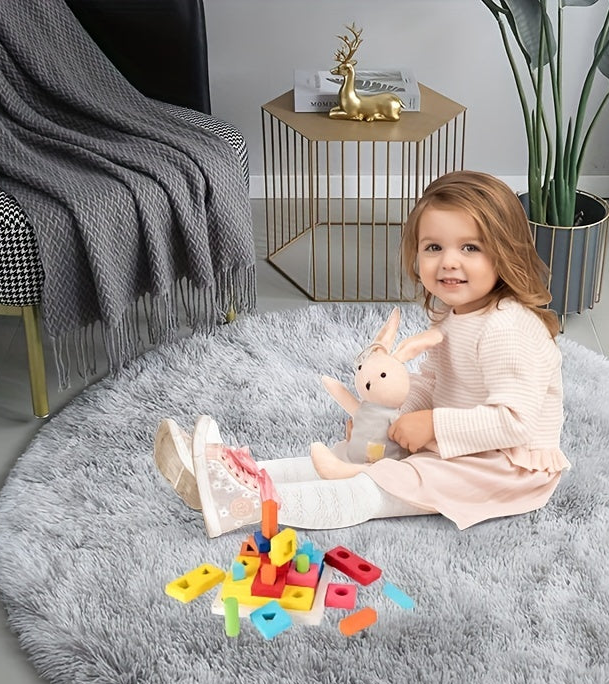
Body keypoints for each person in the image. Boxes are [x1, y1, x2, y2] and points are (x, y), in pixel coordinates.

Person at [154, 170, 570, 537]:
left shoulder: (507, 328)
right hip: (466, 442)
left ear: (506, 252)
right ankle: (229, 475)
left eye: (470, 248)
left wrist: (431, 425)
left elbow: (516, 423)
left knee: (380, 483)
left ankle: (242, 504)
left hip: (506, 467)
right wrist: (386, 418)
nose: (448, 262)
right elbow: (431, 382)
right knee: (346, 455)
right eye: (433, 247)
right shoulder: (453, 313)